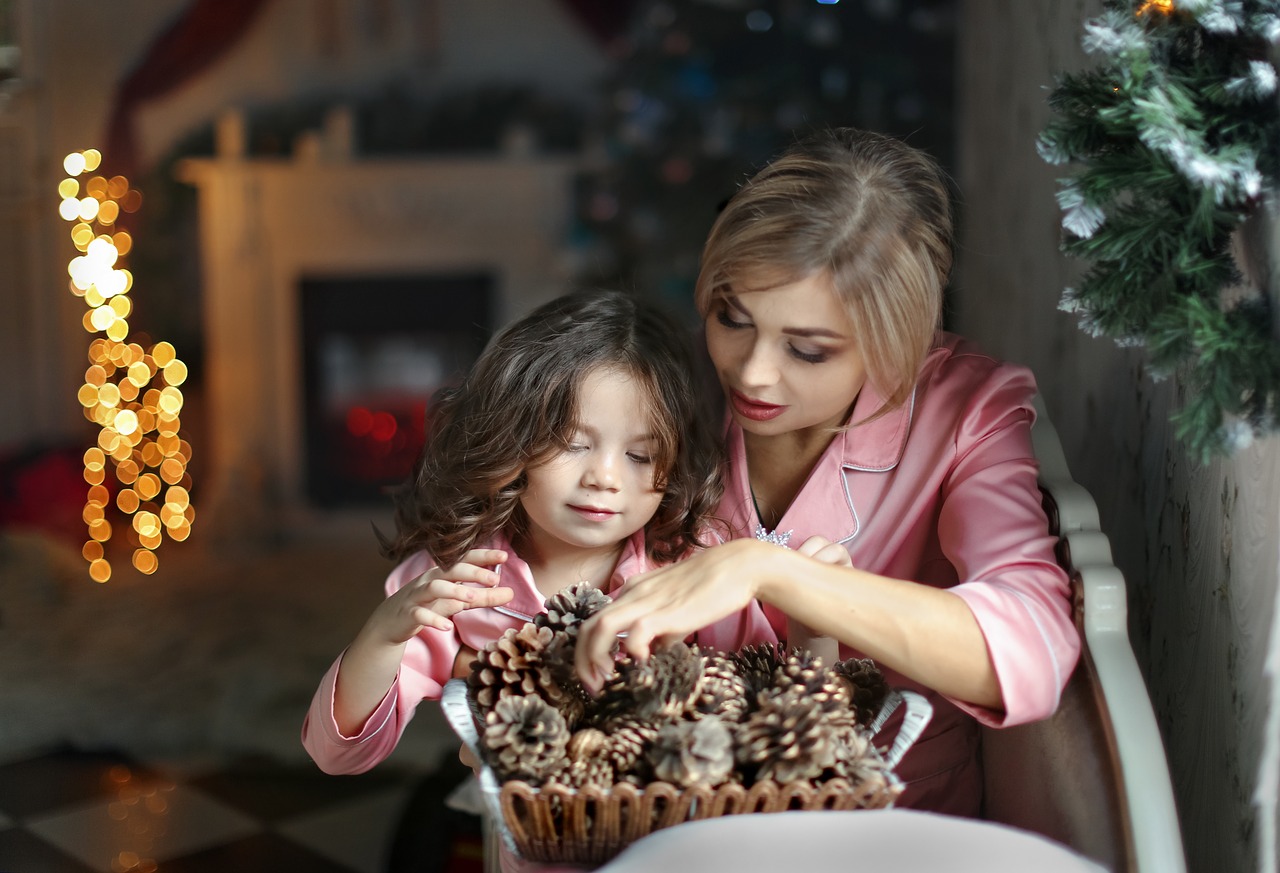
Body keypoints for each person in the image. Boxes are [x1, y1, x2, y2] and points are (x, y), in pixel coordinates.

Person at [575, 127, 1081, 818]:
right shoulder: (661, 385)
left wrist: (773, 572)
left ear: (895, 341)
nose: (751, 371)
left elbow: (1032, 648)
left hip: (891, 839)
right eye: (732, 318)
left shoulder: (966, 409)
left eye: (808, 350)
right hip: (675, 830)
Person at [301, 290, 776, 868]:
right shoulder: (457, 579)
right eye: (574, 444)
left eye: (641, 455)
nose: (604, 477)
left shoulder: (698, 565)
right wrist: (380, 636)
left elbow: (769, 724)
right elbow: (337, 755)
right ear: (513, 438)